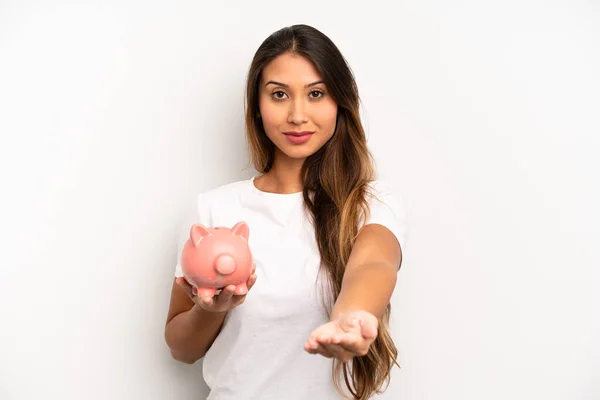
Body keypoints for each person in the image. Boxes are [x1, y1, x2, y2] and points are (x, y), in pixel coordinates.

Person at [164, 24, 408, 400]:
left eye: (316, 94)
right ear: (258, 107)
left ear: (339, 103)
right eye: (279, 94)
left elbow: (373, 264)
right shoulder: (214, 208)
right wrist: (214, 310)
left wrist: (351, 317)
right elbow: (182, 349)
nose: (297, 115)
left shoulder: (369, 202)